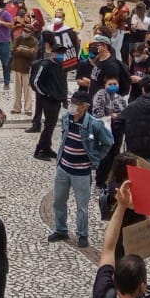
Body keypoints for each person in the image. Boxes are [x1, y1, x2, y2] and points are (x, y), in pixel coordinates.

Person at [50, 90, 113, 248]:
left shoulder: (94, 124)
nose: (72, 106)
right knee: (58, 201)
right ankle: (60, 229)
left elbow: (108, 142)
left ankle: (82, 234)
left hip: (82, 171)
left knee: (82, 206)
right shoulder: (66, 118)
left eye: (76, 104)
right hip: (63, 167)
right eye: (72, 102)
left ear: (84, 106)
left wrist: (96, 158)